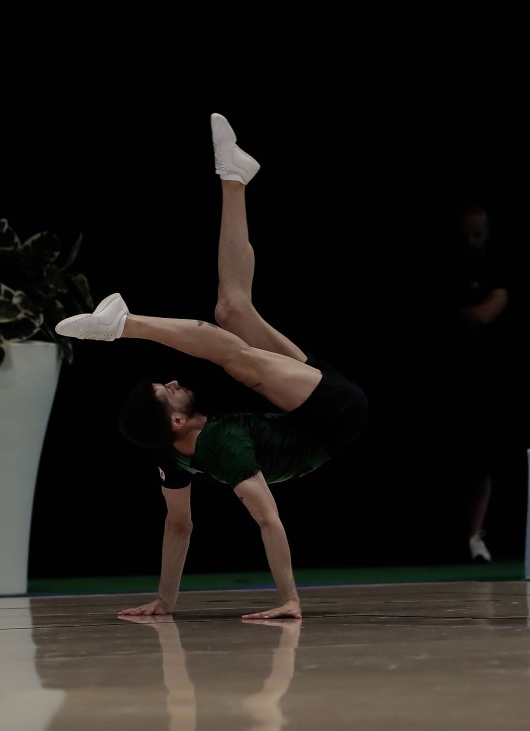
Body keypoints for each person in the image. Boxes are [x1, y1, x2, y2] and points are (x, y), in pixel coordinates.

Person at [55, 113, 368, 621]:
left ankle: (233, 176)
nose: (175, 381)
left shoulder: (173, 458)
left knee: (232, 310)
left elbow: (178, 526)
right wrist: (290, 599)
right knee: (236, 359)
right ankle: (125, 324)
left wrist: (165, 601)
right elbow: (268, 520)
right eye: (167, 390)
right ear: (178, 420)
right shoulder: (222, 446)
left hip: (308, 406)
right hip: (336, 413)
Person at [443, 201, 511, 563]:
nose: (472, 242)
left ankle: (475, 536)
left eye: (478, 235)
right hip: (451, 379)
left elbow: (485, 315)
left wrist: (472, 313)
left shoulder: (496, 270)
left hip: (485, 381)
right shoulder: (450, 268)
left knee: (483, 462)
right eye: (466, 235)